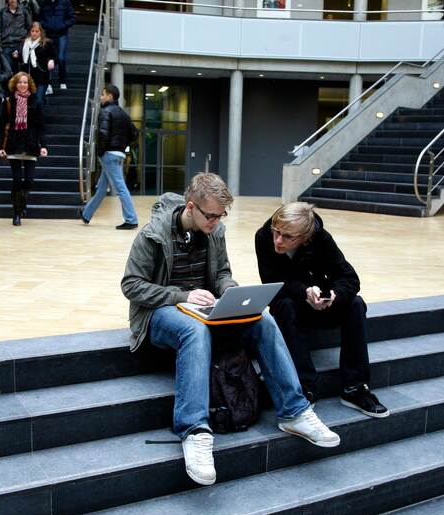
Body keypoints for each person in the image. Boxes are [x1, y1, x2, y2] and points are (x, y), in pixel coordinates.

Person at [121, 173, 339, 486]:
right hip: (159, 313)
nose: (216, 221)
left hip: (204, 309)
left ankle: (294, 412)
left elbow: (222, 272)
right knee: (193, 331)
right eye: (210, 215)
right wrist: (181, 295)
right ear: (191, 207)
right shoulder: (152, 235)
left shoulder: (215, 231)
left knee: (262, 319)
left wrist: (231, 291)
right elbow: (131, 285)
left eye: (221, 215)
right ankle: (194, 430)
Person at [255, 202, 389, 417]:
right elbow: (272, 282)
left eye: (288, 237)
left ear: (305, 238)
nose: (278, 240)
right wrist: (305, 291)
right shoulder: (263, 236)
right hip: (290, 304)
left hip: (321, 303)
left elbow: (350, 278)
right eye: (276, 232)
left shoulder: (321, 238)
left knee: (356, 303)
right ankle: (305, 386)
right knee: (284, 306)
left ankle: (354, 387)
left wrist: (333, 295)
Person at [79, 85, 139, 229]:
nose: (101, 97)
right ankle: (86, 214)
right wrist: (122, 144)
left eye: (103, 94)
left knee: (120, 187)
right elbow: (135, 134)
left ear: (110, 96)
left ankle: (131, 219)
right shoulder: (124, 114)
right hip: (118, 154)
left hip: (109, 154)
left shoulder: (105, 111)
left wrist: (100, 152)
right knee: (101, 188)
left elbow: (103, 134)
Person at [0, 71, 47, 226]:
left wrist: (43, 145)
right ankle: (17, 212)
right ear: (15, 83)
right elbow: (2, 125)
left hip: (31, 144)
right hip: (14, 143)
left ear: (29, 84)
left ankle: (22, 201)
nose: (22, 85)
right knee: (17, 180)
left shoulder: (36, 101)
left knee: (29, 181)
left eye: (25, 82)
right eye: (20, 82)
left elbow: (40, 125)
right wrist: (1, 146)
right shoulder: (8, 101)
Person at [37, 0, 76, 92]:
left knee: (61, 58)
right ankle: (49, 83)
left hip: (62, 34)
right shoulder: (44, 3)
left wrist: (63, 25)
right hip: (48, 35)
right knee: (48, 59)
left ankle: (62, 80)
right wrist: (46, 25)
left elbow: (73, 18)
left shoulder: (65, 2)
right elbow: (39, 19)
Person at [18, 21, 56, 104]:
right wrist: (16, 55)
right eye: (32, 31)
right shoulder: (25, 43)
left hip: (41, 76)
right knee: (27, 102)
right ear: (30, 32)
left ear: (41, 32)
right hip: (27, 77)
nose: (34, 33)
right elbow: (21, 57)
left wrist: (51, 61)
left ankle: (39, 115)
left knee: (39, 100)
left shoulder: (47, 43)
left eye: (37, 31)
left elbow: (54, 56)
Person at [0, 0, 33, 75]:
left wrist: (26, 43)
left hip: (21, 43)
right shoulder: (2, 12)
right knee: (8, 70)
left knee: (22, 71)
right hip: (6, 44)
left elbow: (30, 28)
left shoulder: (24, 11)